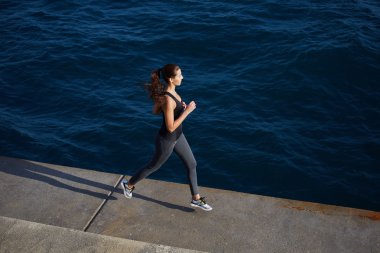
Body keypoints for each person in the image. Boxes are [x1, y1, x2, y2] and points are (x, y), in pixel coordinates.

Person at [120, 64, 212, 211]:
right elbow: (170, 127)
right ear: (171, 79)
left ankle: (196, 199)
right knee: (153, 166)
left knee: (192, 164)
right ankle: (128, 185)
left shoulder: (171, 93)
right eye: (180, 75)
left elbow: (155, 110)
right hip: (167, 140)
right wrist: (186, 111)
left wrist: (180, 108)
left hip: (178, 136)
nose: (182, 77)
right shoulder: (168, 98)